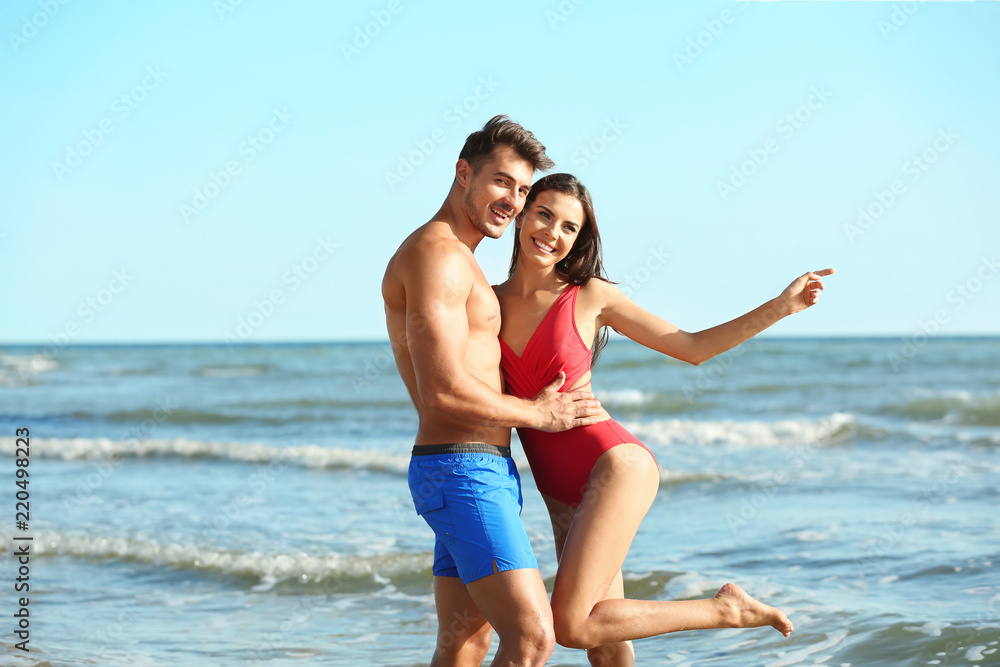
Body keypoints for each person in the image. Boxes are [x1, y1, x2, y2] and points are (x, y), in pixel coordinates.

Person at [494, 172, 834, 666]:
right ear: (523, 214)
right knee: (606, 643)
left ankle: (724, 610)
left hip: (613, 465)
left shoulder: (589, 296)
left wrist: (781, 307)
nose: (553, 232)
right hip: (556, 486)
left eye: (569, 227)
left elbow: (692, 347)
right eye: (544, 215)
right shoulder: (488, 303)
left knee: (571, 625)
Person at [382, 118, 605, 667]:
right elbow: (440, 392)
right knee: (532, 639)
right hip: (462, 470)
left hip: (473, 468)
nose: (514, 200)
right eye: (502, 182)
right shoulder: (437, 255)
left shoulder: (462, 260)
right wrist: (540, 413)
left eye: (524, 190)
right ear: (464, 174)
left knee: (466, 643)